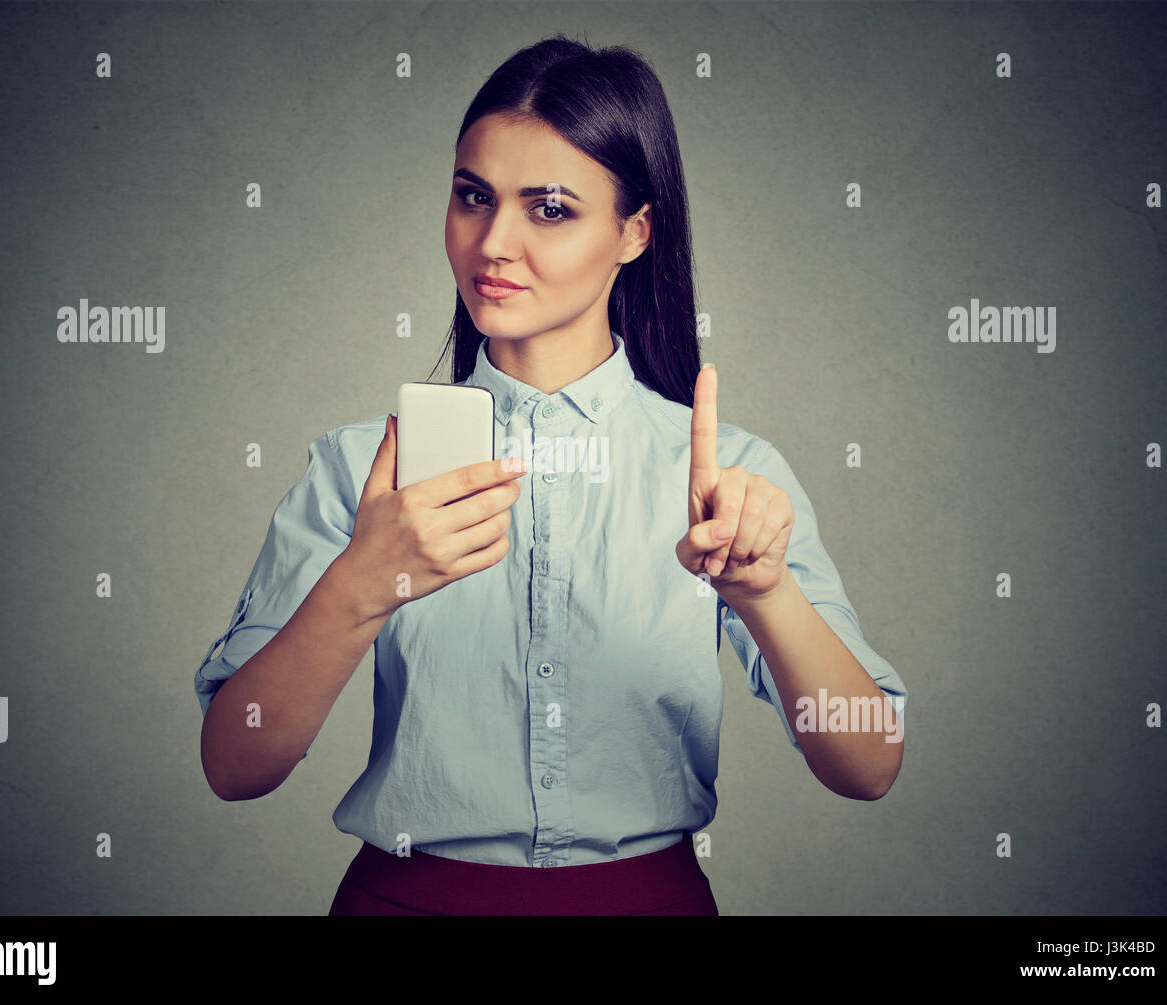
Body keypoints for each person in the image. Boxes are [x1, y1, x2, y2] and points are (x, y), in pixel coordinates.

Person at [195, 34, 908, 916]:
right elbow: (232, 765)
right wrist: (361, 584)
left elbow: (871, 763)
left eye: (551, 208)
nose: (493, 242)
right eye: (473, 197)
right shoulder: (362, 470)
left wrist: (766, 593)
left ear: (634, 231)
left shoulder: (728, 479)